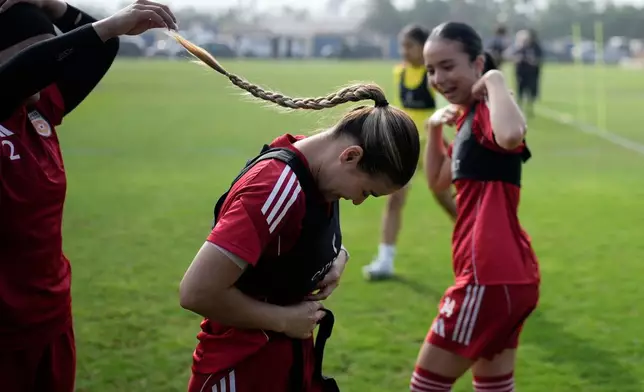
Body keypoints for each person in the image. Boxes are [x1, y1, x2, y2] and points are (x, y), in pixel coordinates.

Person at [169, 33, 420, 392]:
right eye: (367, 191)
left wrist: (338, 258)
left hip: (286, 363)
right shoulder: (275, 188)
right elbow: (196, 292)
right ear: (351, 157)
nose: (360, 201)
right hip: (242, 368)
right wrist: (284, 320)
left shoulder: (320, 172)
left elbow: (301, 238)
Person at [0, 1, 177, 391]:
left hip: (51, 321)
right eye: (37, 60)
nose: (49, 76)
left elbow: (99, 49)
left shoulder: (39, 114)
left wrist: (56, 8)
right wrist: (106, 26)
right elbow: (20, 75)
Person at [411, 21, 540, 392]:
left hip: (488, 276)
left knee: (425, 387)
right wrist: (434, 129)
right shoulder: (469, 118)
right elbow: (437, 182)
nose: (438, 78)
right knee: (494, 387)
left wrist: (497, 80)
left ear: (477, 63)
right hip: (507, 278)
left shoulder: (486, 111)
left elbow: (513, 134)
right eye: (432, 69)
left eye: (448, 66)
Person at [363, 24, 456, 281]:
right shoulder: (399, 73)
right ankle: (385, 260)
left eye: (409, 46)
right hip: (405, 144)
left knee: (445, 199)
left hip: (431, 145)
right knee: (394, 198)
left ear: (423, 47)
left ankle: (476, 245)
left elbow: (446, 111)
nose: (404, 51)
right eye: (402, 46)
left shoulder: (433, 76)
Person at [512, 29, 542, 117]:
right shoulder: (521, 47)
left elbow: (538, 59)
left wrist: (532, 61)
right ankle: (519, 107)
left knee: (532, 90)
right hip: (522, 72)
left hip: (532, 72)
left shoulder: (536, 47)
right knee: (520, 89)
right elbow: (513, 56)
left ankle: (530, 108)